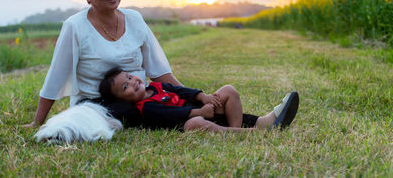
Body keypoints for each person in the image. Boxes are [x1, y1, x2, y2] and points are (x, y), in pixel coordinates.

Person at [24, 0, 182, 128]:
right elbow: (56, 77)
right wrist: (37, 122)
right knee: (135, 112)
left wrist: (189, 94)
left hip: (138, 96)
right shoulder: (75, 26)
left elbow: (158, 71)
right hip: (96, 105)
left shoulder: (134, 19)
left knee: (167, 102)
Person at [98, 67, 299, 132]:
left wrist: (204, 97)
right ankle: (244, 132)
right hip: (188, 120)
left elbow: (182, 91)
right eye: (125, 87)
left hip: (201, 108)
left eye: (130, 77)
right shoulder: (145, 108)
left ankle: (244, 126)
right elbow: (171, 115)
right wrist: (199, 112)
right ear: (124, 100)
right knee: (196, 124)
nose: (132, 82)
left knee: (228, 91)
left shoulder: (155, 86)